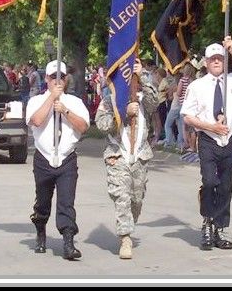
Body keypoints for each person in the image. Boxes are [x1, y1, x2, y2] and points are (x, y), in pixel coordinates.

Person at [181, 36, 232, 251]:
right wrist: (209, 126)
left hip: (229, 139)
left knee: (225, 185)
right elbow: (187, 116)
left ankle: (220, 228)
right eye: (212, 59)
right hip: (208, 138)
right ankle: (207, 220)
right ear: (206, 63)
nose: (216, 62)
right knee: (209, 182)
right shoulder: (197, 85)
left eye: (220, 58)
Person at [94, 58, 158, 259]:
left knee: (136, 199)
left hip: (139, 156)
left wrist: (143, 78)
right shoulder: (109, 100)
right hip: (118, 155)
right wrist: (121, 113)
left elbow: (154, 104)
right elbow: (102, 125)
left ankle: (129, 225)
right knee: (122, 196)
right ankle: (125, 238)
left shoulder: (142, 98)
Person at [26, 60, 90, 260]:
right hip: (44, 157)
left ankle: (68, 242)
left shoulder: (74, 102)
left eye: (61, 77)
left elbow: (83, 127)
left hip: (66, 158)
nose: (57, 81)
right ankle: (41, 231)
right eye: (53, 77)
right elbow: (35, 121)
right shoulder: (36, 100)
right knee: (43, 201)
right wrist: (51, 99)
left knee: (66, 202)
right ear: (46, 78)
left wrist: (65, 111)